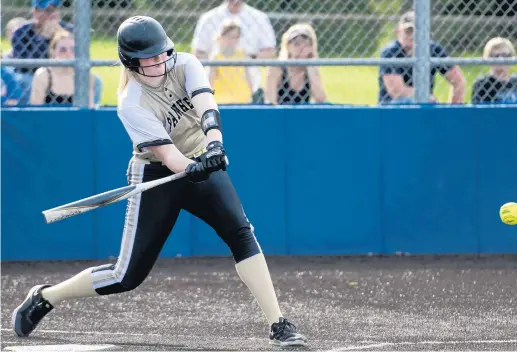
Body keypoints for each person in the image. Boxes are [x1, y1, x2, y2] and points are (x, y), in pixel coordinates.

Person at [11, 16, 307, 348]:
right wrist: (193, 167)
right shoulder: (131, 103)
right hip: (156, 172)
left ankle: (278, 323)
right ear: (131, 63)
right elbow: (170, 159)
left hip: (200, 152)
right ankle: (47, 296)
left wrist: (214, 143)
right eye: (149, 58)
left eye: (162, 53)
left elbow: (206, 104)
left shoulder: (185, 64)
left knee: (241, 232)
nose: (159, 62)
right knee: (126, 277)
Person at [10, 0, 102, 106]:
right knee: (24, 81)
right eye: (47, 10)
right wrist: (43, 39)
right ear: (35, 12)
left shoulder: (68, 29)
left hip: (66, 71)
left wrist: (60, 35)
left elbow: (77, 53)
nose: (52, 14)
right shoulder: (21, 32)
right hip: (30, 74)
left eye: (54, 9)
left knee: (96, 80)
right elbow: (24, 65)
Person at [191, 0, 276, 103]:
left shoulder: (259, 18)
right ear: (219, 38)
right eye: (228, 36)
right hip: (218, 95)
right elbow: (198, 53)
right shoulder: (208, 18)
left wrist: (248, 57)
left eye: (235, 37)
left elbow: (270, 52)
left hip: (245, 95)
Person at [378, 11, 466, 104]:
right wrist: (425, 95)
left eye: (417, 31)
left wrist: (451, 113)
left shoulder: (433, 49)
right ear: (398, 31)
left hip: (425, 104)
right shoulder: (391, 52)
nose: (412, 36)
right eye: (408, 31)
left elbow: (458, 81)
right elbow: (397, 92)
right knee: (405, 101)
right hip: (392, 107)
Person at [30, 29, 96, 107]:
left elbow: (89, 110)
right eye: (63, 50)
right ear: (53, 52)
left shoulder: (85, 76)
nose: (68, 54)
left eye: (72, 50)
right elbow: (36, 111)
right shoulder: (43, 75)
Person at [264, 23, 326, 105]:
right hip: (280, 114)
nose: (301, 48)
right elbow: (270, 102)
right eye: (296, 44)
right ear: (288, 46)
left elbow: (320, 100)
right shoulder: (277, 68)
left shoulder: (311, 69)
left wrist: (310, 66)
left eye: (306, 44)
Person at [208, 18, 254, 104]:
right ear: (221, 37)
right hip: (222, 100)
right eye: (229, 37)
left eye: (236, 37)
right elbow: (210, 81)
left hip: (242, 99)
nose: (232, 40)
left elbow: (249, 79)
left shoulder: (242, 55)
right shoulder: (216, 57)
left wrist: (250, 93)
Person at [471, 37, 517, 104]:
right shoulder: (482, 83)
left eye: (505, 55)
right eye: (496, 56)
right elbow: (478, 111)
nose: (501, 59)